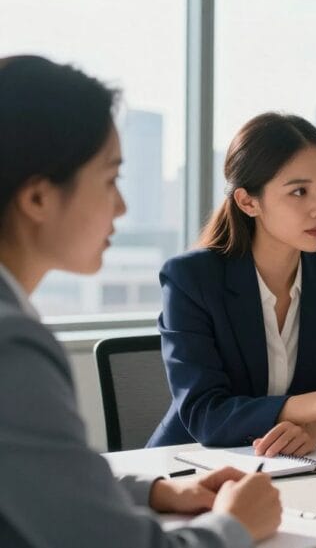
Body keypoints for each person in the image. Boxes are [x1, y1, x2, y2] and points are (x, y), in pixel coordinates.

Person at [0, 55, 282, 547]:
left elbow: (41, 474)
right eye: (110, 179)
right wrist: (234, 526)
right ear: (38, 198)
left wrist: (155, 491)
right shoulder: (11, 345)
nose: (122, 206)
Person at [148, 112, 316, 455]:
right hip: (189, 463)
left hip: (289, 465)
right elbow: (207, 415)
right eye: (299, 191)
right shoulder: (192, 278)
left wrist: (314, 430)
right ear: (248, 202)